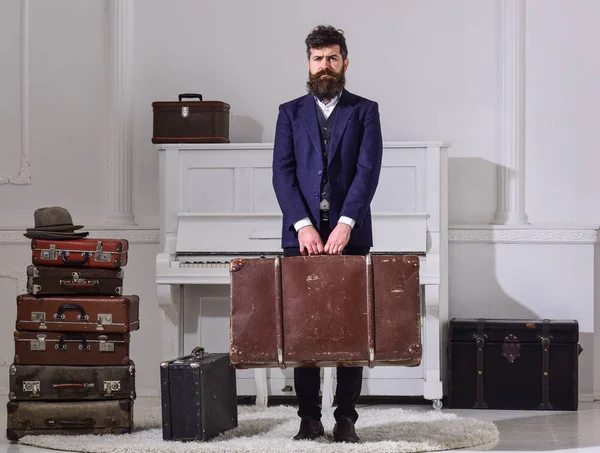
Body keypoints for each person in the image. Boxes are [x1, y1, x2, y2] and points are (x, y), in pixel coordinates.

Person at [272, 25, 383, 443]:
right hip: (300, 237)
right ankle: (308, 419)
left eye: (332, 58)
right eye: (318, 59)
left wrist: (345, 223)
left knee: (350, 330)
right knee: (305, 331)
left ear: (345, 62)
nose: (325, 66)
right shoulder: (290, 112)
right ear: (308, 63)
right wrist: (302, 224)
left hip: (349, 235)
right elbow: (282, 173)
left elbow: (367, 171)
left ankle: (346, 419)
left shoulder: (365, 110)